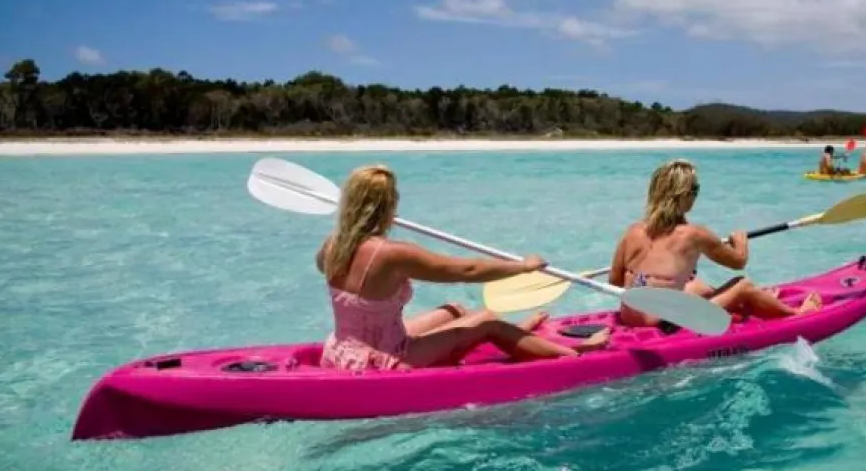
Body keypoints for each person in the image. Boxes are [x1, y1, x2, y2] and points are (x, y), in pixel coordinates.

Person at [315, 164, 609, 371]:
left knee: (455, 310)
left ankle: (514, 336)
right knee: (488, 321)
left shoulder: (331, 247)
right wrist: (522, 267)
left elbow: (348, 281)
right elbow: (466, 271)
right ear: (388, 205)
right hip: (385, 356)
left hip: (340, 350)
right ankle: (577, 353)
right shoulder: (394, 254)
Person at [607, 159, 822, 329]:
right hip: (664, 321)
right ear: (684, 196)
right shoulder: (694, 234)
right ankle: (796, 314)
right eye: (695, 190)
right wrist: (740, 241)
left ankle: (755, 301)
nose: (696, 196)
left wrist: (649, 280)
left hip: (629, 316)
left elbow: (615, 282)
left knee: (698, 287)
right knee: (743, 284)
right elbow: (738, 262)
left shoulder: (633, 231)